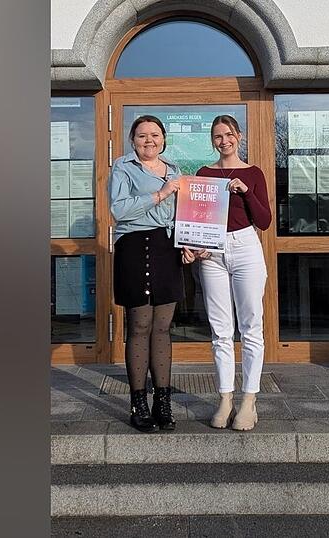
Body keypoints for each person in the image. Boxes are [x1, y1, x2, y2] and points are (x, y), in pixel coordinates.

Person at [182, 115, 271, 430]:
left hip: (246, 246)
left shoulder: (254, 173)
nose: (224, 141)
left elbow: (264, 221)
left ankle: (249, 400)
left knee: (251, 327)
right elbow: (196, 216)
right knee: (220, 330)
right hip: (213, 253)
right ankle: (224, 398)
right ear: (212, 141)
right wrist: (194, 245)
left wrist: (246, 191)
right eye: (218, 136)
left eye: (229, 135)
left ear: (240, 136)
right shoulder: (204, 174)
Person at [109, 115, 185, 433]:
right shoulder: (123, 167)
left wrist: (191, 243)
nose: (149, 141)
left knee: (163, 328)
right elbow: (118, 209)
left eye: (155, 135)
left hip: (167, 248)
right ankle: (138, 404)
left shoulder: (176, 172)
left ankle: (162, 404)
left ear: (163, 139)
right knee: (139, 325)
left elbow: (184, 213)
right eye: (142, 136)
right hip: (134, 245)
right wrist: (160, 194)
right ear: (132, 139)